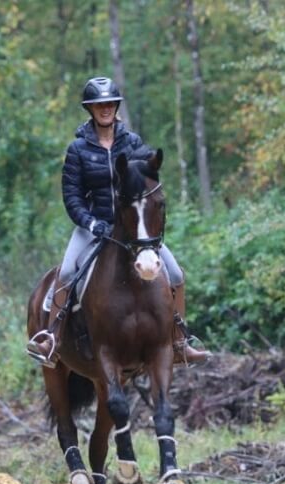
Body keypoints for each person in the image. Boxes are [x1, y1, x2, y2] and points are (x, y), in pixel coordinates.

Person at [27, 76, 210, 368]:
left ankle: (180, 343)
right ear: (90, 109)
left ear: (116, 107)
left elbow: (147, 180)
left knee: (175, 273)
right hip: (94, 227)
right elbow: (72, 197)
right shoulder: (78, 150)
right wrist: (90, 223)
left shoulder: (132, 142)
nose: (105, 109)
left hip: (134, 230)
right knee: (67, 272)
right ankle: (52, 339)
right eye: (99, 105)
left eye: (110, 104)